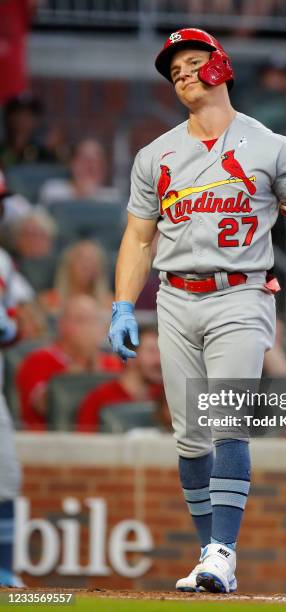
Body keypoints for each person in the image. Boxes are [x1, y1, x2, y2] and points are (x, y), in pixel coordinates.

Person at [108, 28, 286, 594]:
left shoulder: (269, 144)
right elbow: (137, 238)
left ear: (220, 66)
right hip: (175, 297)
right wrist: (122, 306)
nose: (181, 73)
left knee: (227, 416)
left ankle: (223, 552)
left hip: (242, 292)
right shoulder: (154, 155)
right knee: (190, 440)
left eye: (191, 62)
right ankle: (210, 551)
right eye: (173, 69)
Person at [17, 294, 121, 430]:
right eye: (81, 320)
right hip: (49, 444)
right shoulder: (36, 361)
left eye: (94, 321)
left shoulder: (112, 364)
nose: (88, 328)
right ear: (61, 325)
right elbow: (43, 407)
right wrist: (79, 367)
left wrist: (96, 365)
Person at [76, 325, 167, 433]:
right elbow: (84, 444)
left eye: (160, 352)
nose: (159, 360)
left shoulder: (165, 397)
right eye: (152, 352)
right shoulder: (99, 399)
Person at [0, 184, 23, 587]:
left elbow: (20, 321)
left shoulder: (3, 261)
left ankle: (3, 571)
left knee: (6, 477)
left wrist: (12, 327)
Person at [39, 138, 121, 206]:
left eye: (97, 161)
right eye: (85, 160)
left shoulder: (112, 198)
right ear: (72, 164)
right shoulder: (54, 191)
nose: (91, 166)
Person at [39, 240, 113, 315]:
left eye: (91, 260)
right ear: (68, 265)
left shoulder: (112, 305)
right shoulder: (47, 302)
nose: (86, 265)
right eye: (80, 259)